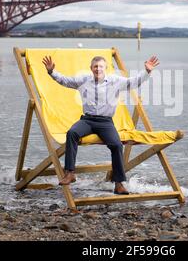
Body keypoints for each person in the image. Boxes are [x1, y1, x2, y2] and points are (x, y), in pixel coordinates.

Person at [42, 54, 160, 195]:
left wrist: (147, 71)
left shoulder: (115, 81)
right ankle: (70, 173)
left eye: (101, 66)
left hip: (105, 122)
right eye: (95, 66)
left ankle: (119, 184)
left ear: (106, 68)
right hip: (87, 120)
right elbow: (65, 81)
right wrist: (51, 72)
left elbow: (134, 82)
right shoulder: (83, 80)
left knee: (116, 145)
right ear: (91, 68)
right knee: (72, 133)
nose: (98, 69)